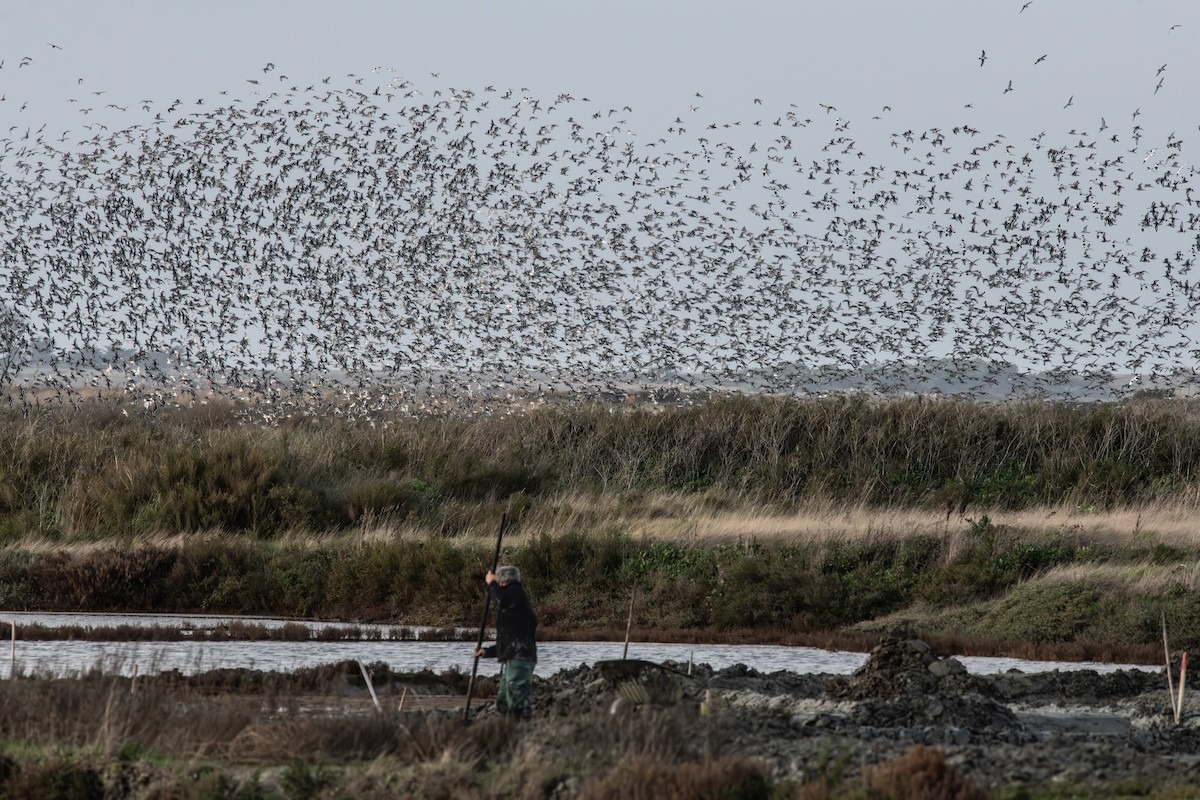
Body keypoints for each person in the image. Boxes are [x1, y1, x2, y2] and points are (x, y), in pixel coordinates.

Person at [473, 565, 538, 719]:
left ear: (504, 581)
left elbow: (500, 597)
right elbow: (510, 640)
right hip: (512, 658)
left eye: (501, 582)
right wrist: (487, 651)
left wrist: (491, 582)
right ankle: (506, 732)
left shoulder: (515, 592)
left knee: (516, 701)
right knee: (503, 701)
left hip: (520, 659)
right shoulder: (513, 609)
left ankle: (521, 733)